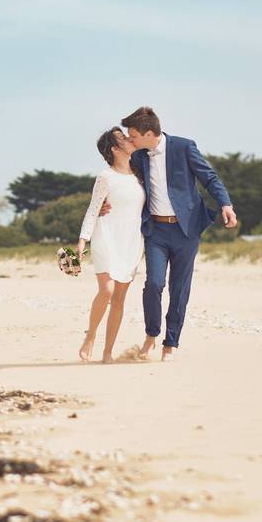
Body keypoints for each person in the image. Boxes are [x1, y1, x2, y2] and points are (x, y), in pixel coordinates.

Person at [98, 106, 237, 361]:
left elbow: (210, 177)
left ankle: (170, 343)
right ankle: (151, 336)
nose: (130, 140)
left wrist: (225, 204)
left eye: (133, 136)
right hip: (156, 231)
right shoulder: (139, 156)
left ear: (149, 133)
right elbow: (122, 180)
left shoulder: (183, 147)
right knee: (154, 284)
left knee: (179, 288)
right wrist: (103, 205)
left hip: (187, 230)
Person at [76, 127, 146, 363]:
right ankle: (91, 335)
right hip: (106, 234)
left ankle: (108, 352)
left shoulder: (140, 174)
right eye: (123, 138)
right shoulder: (105, 176)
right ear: (115, 149)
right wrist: (82, 240)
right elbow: (94, 209)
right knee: (107, 290)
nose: (129, 139)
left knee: (119, 299)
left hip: (132, 240)